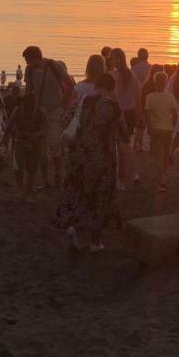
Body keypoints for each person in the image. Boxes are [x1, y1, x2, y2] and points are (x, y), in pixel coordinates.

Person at [54, 73, 124, 252]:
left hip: (78, 158)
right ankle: (95, 242)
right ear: (111, 88)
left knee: (78, 193)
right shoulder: (113, 107)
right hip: (102, 160)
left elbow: (63, 122)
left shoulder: (81, 102)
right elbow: (123, 136)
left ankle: (74, 227)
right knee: (99, 199)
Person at [23, 45, 74, 189]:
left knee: (54, 143)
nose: (27, 64)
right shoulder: (30, 70)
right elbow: (29, 90)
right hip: (39, 111)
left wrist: (63, 104)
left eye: (28, 60)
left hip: (55, 110)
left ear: (35, 57)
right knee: (41, 147)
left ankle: (58, 173)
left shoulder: (55, 66)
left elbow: (70, 85)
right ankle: (46, 180)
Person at [109, 48, 143, 182]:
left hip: (118, 113)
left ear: (118, 59)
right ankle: (131, 174)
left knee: (119, 147)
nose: (110, 60)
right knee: (125, 145)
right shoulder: (131, 75)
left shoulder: (113, 75)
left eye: (112, 58)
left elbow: (109, 96)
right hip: (129, 113)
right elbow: (138, 97)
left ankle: (123, 176)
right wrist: (139, 115)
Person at [143, 71, 176, 190]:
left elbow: (147, 114)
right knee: (166, 154)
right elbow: (174, 114)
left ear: (154, 82)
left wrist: (149, 127)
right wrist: (172, 125)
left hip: (156, 128)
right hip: (167, 129)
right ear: (165, 82)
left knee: (157, 155)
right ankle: (163, 176)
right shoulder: (170, 97)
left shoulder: (150, 97)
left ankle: (160, 178)